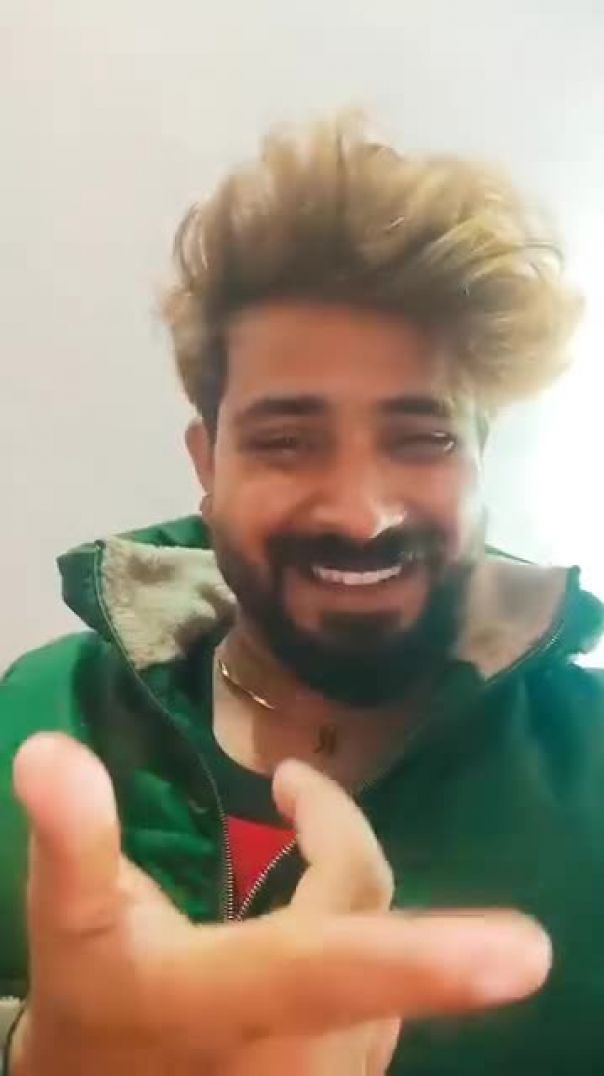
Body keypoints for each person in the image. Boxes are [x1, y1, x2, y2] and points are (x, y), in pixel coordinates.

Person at [1, 113, 602, 1076]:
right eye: (286, 441)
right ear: (207, 465)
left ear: (481, 463)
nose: (361, 515)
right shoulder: (35, 716)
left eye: (424, 438)